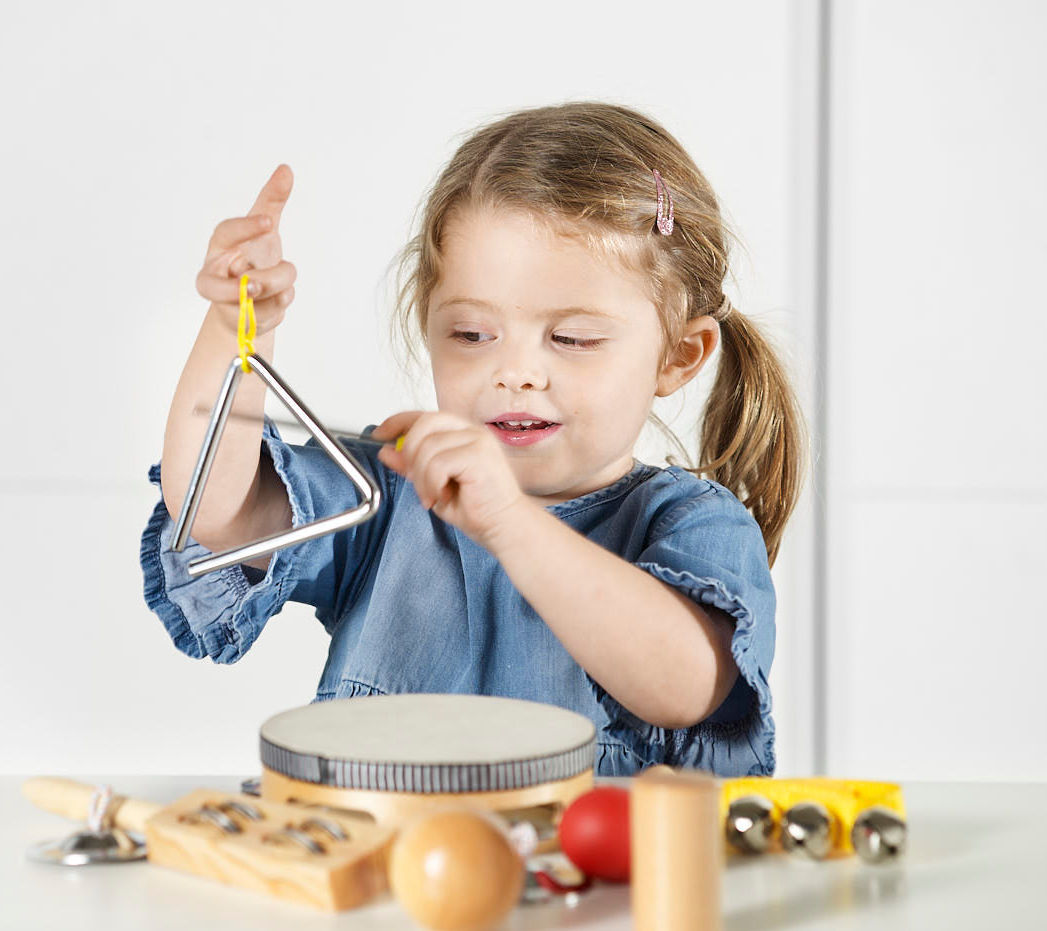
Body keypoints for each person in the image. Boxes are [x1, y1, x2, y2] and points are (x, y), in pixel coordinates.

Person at [142, 101, 807, 777]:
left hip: (599, 885)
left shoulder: (694, 525)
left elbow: (684, 685)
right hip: (386, 877)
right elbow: (215, 510)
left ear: (678, 357)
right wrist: (235, 327)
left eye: (572, 339)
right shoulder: (390, 493)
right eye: (471, 335)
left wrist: (508, 523)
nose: (514, 372)